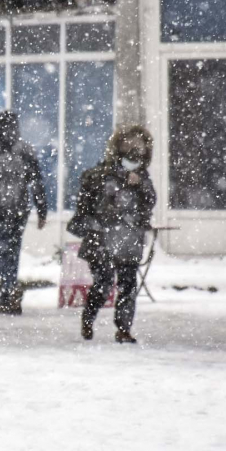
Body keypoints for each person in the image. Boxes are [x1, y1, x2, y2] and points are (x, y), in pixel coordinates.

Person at [68, 125, 156, 344]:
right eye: (129, 144)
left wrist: (141, 185)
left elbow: (149, 202)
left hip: (129, 239)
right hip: (102, 239)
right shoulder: (100, 174)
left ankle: (124, 329)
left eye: (140, 146)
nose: (135, 150)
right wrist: (97, 222)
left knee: (128, 285)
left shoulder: (142, 177)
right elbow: (85, 208)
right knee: (103, 284)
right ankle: (89, 318)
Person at [0, 111, 47, 315]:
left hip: (15, 210)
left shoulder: (21, 151)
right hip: (3, 209)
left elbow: (35, 181)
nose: (9, 132)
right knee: (5, 251)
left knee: (7, 250)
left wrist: (41, 209)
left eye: (11, 127)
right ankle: (9, 288)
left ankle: (9, 289)